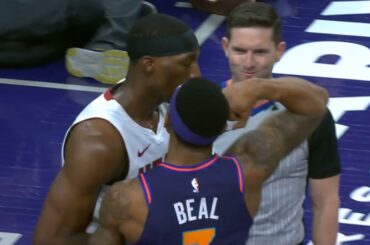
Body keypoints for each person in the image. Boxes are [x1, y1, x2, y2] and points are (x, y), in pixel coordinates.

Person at [88, 76, 328, 245]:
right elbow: (315, 104)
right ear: (223, 127)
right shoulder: (247, 170)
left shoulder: (129, 197)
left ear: (169, 121)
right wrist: (260, 86)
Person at [33, 13, 201, 245]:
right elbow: (50, 240)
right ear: (149, 65)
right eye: (186, 63)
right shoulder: (99, 141)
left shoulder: (166, 103)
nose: (196, 74)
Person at [213, 2, 341, 244]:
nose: (249, 63)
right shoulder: (199, 112)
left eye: (260, 52)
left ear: (279, 50)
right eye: (240, 50)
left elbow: (326, 201)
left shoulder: (312, 116)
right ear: (225, 47)